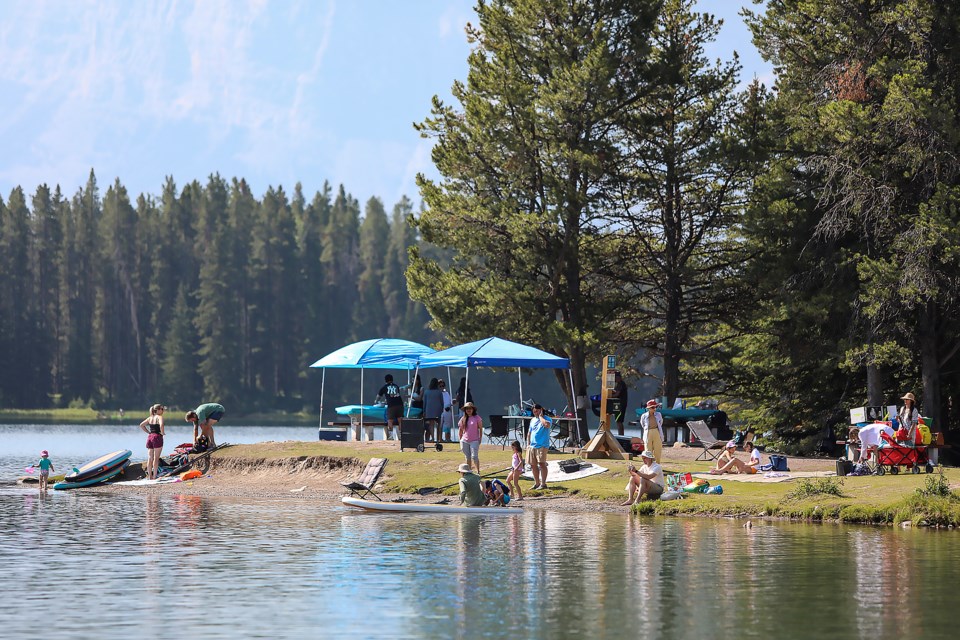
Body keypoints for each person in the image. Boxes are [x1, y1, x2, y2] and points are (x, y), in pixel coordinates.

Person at [527, 404, 552, 490]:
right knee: (533, 465)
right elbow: (529, 432)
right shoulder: (532, 420)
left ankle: (543, 484)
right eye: (534, 412)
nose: (535, 413)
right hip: (532, 446)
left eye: (537, 411)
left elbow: (547, 425)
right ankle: (537, 483)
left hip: (542, 445)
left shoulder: (547, 419)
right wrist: (528, 444)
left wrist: (541, 417)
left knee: (542, 464)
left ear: (541, 410)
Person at [139, 404, 166, 480]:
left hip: (150, 437)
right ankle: (154, 476)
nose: (163, 410)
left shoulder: (150, 418)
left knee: (150, 458)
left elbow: (141, 425)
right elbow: (162, 425)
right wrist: (162, 432)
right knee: (156, 458)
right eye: (162, 409)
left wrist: (148, 432)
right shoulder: (159, 417)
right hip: (157, 437)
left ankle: (150, 477)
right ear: (158, 410)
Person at [376, 374, 404, 440]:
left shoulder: (384, 387)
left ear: (385, 380)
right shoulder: (396, 386)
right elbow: (396, 394)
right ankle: (401, 435)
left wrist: (376, 401)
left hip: (391, 405)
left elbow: (378, 396)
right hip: (400, 404)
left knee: (390, 420)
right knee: (400, 420)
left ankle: (391, 436)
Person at [458, 402, 483, 474]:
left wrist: (480, 438)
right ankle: (469, 471)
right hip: (464, 440)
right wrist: (460, 440)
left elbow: (480, 429)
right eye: (467, 409)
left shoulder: (477, 418)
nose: (469, 410)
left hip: (474, 440)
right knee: (467, 457)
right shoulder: (463, 418)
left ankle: (478, 471)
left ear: (473, 409)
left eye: (470, 408)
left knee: (474, 456)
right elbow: (460, 430)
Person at [640, 399, 664, 463]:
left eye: (655, 407)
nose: (654, 409)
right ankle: (649, 464)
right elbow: (642, 424)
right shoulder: (644, 416)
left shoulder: (658, 414)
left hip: (656, 431)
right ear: (649, 408)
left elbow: (660, 422)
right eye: (653, 407)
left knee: (657, 449)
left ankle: (657, 464)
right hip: (648, 432)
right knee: (648, 449)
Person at [422, 377, 445, 443]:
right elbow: (442, 402)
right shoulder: (439, 392)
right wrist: (442, 409)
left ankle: (432, 438)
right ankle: (439, 438)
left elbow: (425, 402)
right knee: (439, 424)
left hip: (429, 410)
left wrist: (424, 411)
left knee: (431, 424)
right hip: (438, 409)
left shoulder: (426, 392)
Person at [611, 372, 628, 436]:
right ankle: (621, 435)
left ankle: (621, 435)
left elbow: (617, 394)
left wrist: (608, 396)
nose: (614, 380)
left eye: (615, 378)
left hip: (620, 405)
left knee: (619, 421)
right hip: (619, 405)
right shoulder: (618, 384)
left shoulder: (621, 384)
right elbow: (616, 392)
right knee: (618, 421)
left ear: (618, 377)